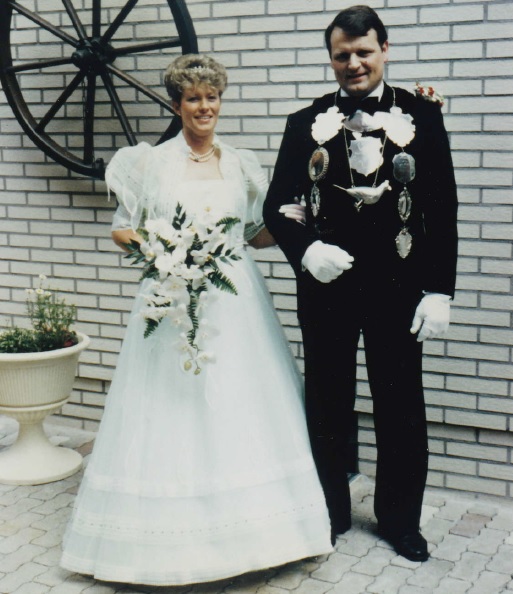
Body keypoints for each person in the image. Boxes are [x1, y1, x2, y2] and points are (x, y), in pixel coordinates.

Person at [60, 53, 333, 586]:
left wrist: (295, 220)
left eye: (212, 97)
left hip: (235, 303)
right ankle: (162, 542)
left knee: (241, 405)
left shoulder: (241, 165)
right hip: (170, 296)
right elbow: (122, 228)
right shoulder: (150, 163)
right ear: (176, 104)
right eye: (193, 99)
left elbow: (254, 233)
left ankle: (263, 537)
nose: (204, 107)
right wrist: (163, 251)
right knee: (171, 407)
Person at [263, 5, 458, 562]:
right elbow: (276, 206)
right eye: (342, 55)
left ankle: (400, 520)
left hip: (399, 286)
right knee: (327, 403)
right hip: (327, 287)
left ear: (384, 50)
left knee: (400, 405)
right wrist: (306, 250)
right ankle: (328, 512)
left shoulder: (422, 115)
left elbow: (441, 208)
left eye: (364, 52)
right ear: (331, 58)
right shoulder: (304, 121)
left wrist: (439, 290)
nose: (353, 63)